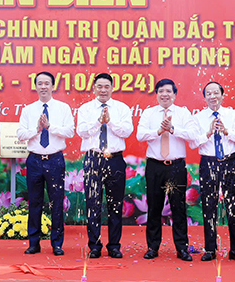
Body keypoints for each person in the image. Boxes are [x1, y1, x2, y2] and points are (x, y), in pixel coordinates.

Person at [136, 78, 197, 261]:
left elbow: (192, 135)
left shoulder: (183, 113)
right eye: (161, 91)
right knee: (154, 207)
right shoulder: (149, 113)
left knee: (178, 208)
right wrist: (157, 131)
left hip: (175, 166)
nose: (165, 94)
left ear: (175, 94)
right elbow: (140, 135)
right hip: (155, 166)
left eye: (168, 91)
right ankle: (152, 247)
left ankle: (182, 248)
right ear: (156, 94)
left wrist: (172, 129)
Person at [189, 81, 235, 262]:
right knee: (209, 205)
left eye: (216, 93)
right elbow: (192, 143)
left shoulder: (231, 115)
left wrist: (226, 131)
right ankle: (210, 249)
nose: (213, 96)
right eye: (209, 93)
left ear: (223, 95)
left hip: (228, 161)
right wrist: (207, 134)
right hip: (208, 163)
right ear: (205, 97)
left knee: (233, 205)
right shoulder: (198, 117)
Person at [17, 71, 74, 256]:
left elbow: (70, 132)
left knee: (56, 202)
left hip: (55, 159)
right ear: (35, 86)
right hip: (34, 160)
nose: (43, 86)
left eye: (46, 83)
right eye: (39, 83)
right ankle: (34, 243)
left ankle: (57, 243)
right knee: (34, 202)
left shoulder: (63, 108)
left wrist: (50, 127)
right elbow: (20, 134)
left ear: (52, 86)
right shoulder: (28, 110)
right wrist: (37, 129)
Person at [76, 72, 133, 259]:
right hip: (93, 159)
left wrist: (110, 122)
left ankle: (114, 245)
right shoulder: (85, 109)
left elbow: (126, 131)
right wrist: (98, 121)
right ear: (94, 88)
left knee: (115, 204)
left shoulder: (122, 108)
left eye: (106, 86)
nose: (103, 90)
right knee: (93, 204)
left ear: (112, 88)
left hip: (115, 159)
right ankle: (94, 245)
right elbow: (82, 132)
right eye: (99, 86)